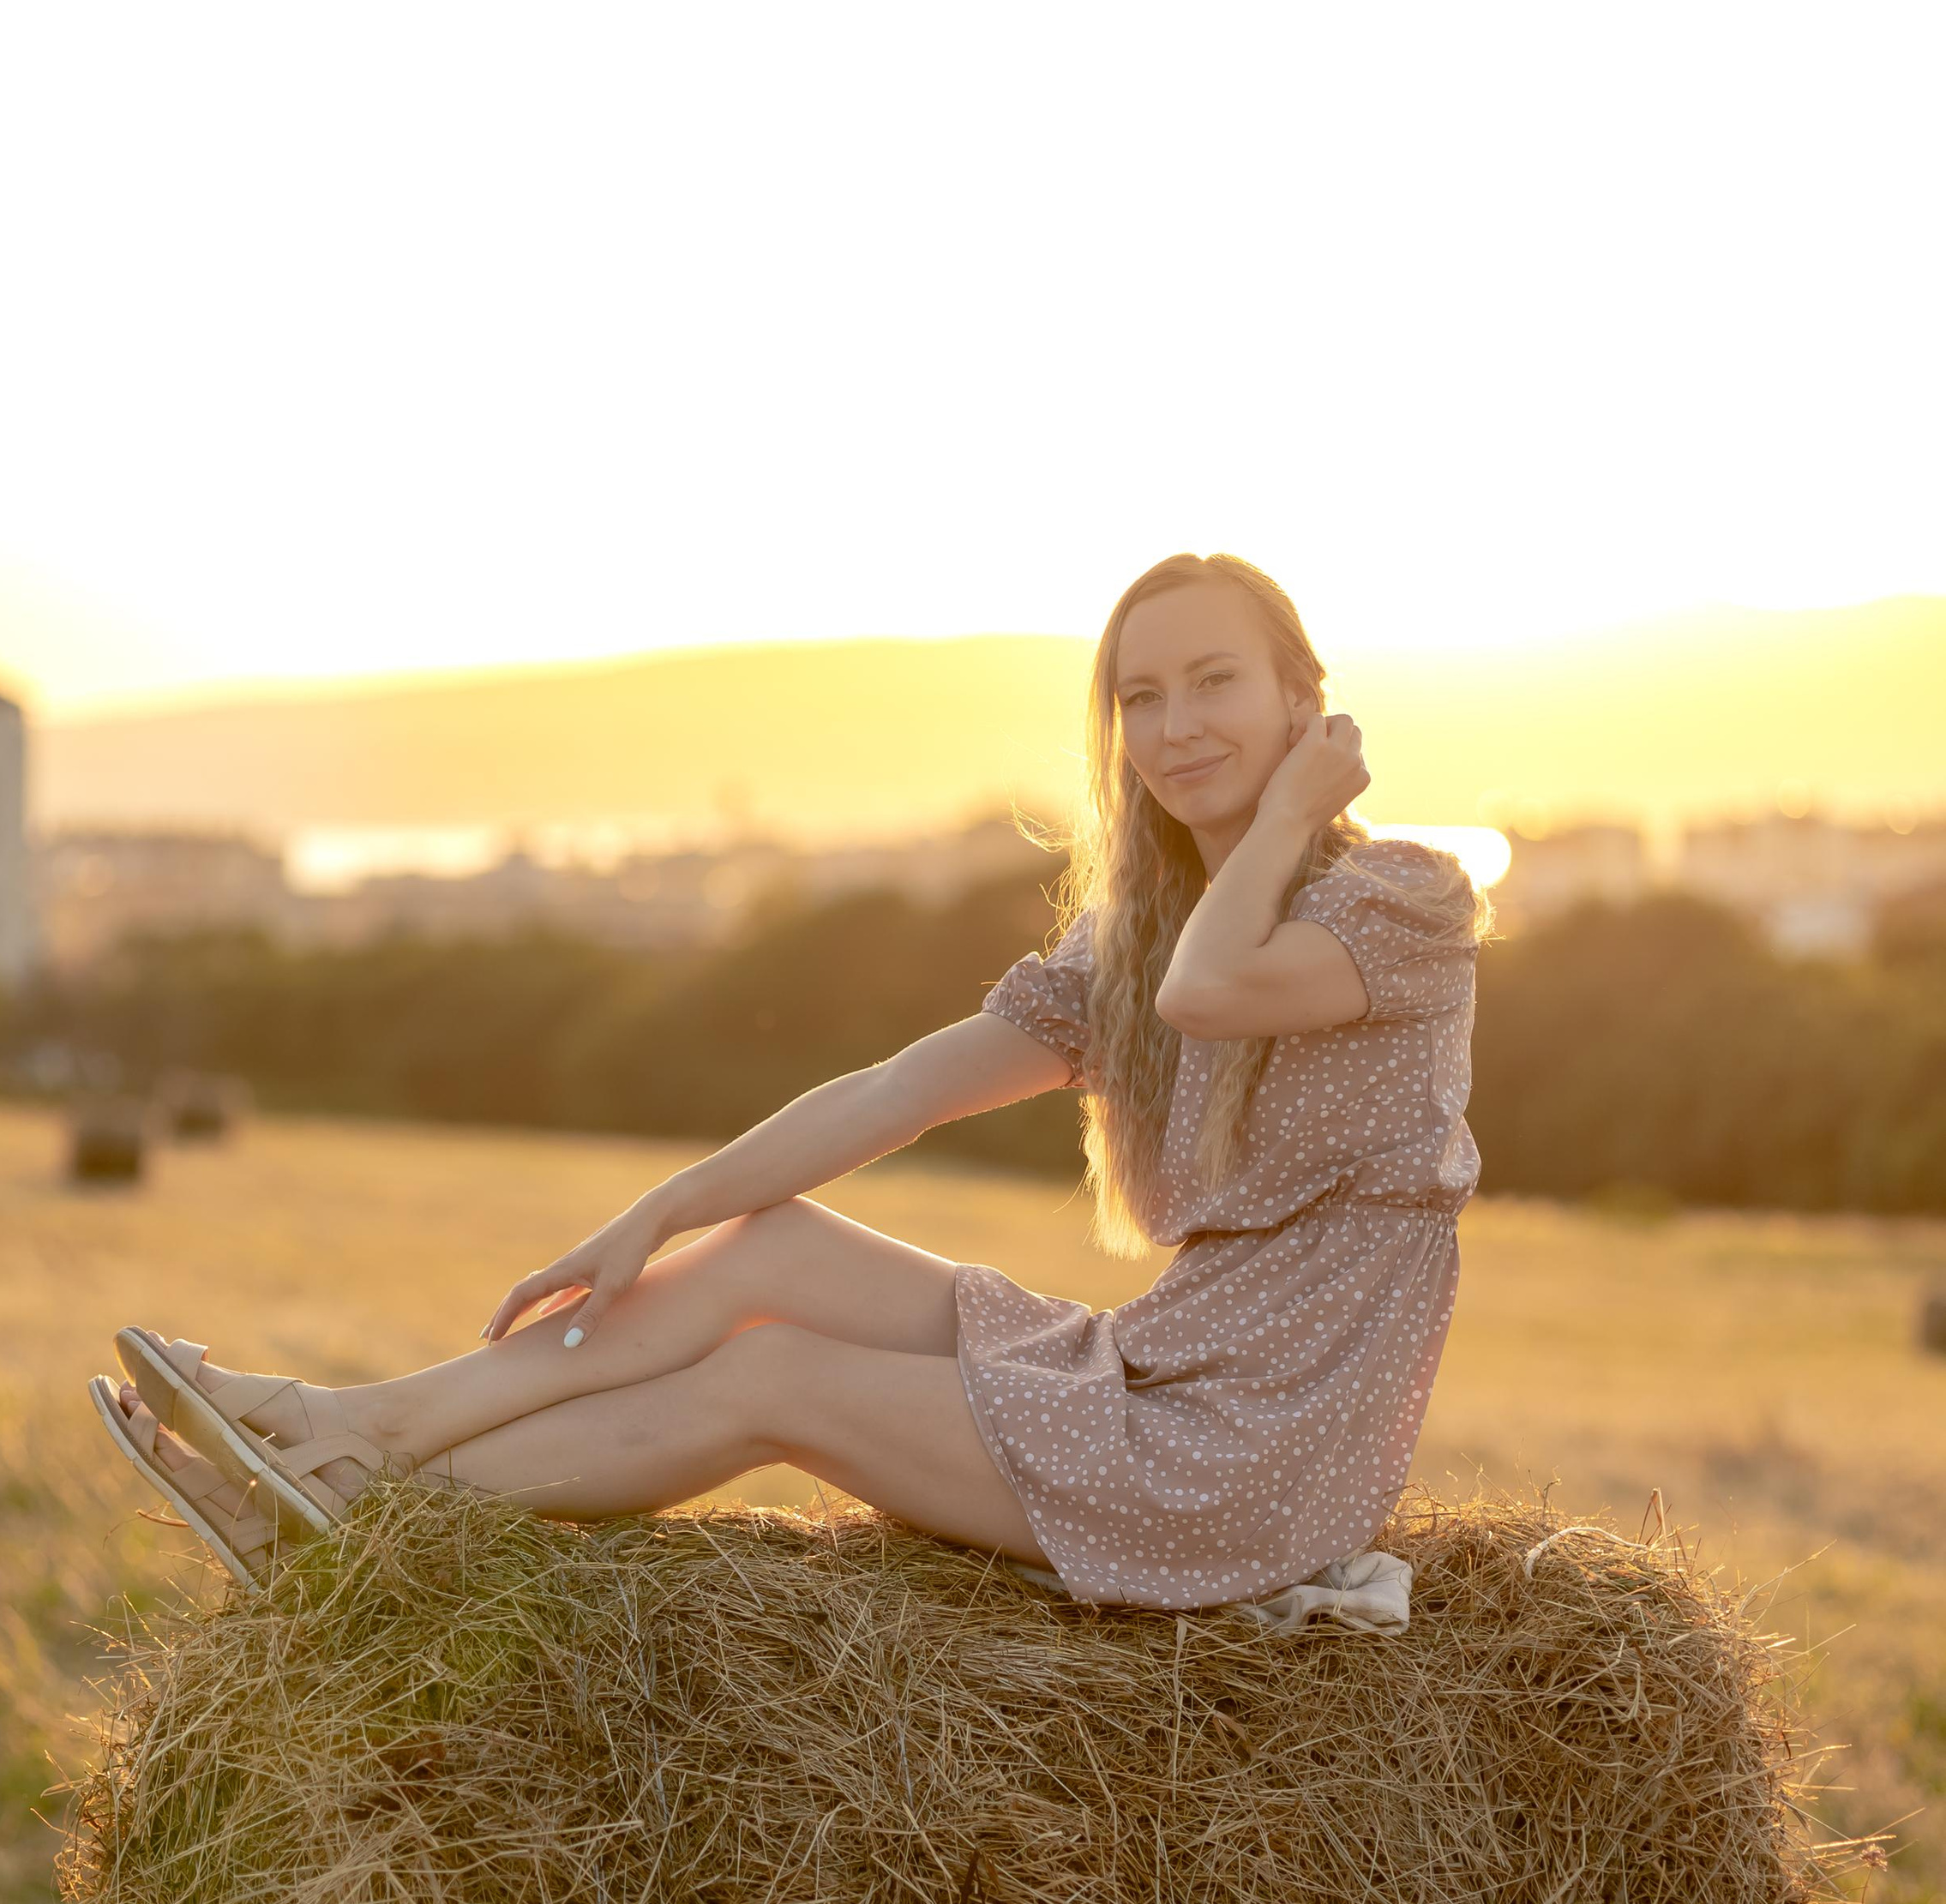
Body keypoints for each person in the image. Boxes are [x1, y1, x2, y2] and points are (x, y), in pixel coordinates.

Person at [91, 551, 1481, 1612]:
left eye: (1216, 682)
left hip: (1252, 1463)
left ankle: (360, 1525)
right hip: (1161, 1370)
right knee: (770, 1252)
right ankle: (355, 1433)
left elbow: (1212, 992)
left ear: (1306, 694)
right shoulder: (1130, 947)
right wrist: (663, 1212)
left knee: (772, 1379)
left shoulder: (1397, 902)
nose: (1174, 726)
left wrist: (1297, 809)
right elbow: (896, 1091)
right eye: (1140, 696)